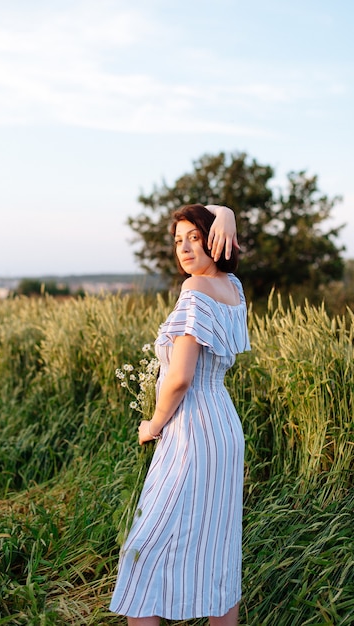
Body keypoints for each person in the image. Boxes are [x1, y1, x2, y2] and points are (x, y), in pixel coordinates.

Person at [110, 204, 250, 625]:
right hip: (224, 426)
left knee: (143, 548)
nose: (185, 248)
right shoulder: (233, 287)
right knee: (216, 544)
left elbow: (180, 378)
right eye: (178, 240)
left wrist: (153, 423)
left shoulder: (195, 290)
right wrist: (224, 211)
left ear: (215, 240)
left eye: (195, 237)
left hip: (191, 429)